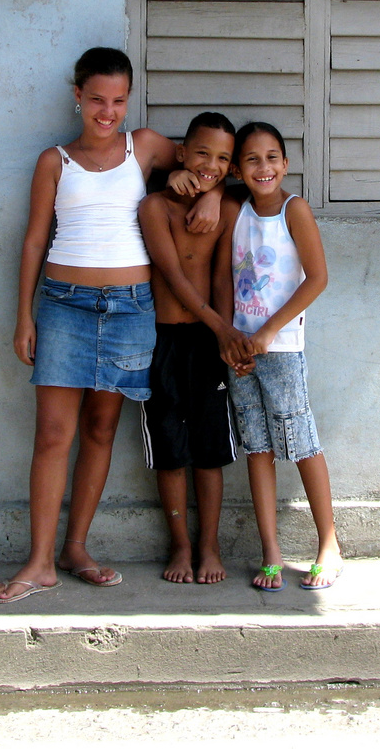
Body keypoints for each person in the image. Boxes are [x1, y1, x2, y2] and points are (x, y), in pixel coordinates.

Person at [0, 47, 220, 604]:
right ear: (77, 97)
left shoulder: (144, 147)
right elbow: (34, 241)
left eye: (118, 100)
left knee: (99, 432)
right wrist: (24, 315)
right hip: (64, 306)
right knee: (52, 436)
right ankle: (40, 561)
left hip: (130, 309)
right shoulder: (54, 162)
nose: (107, 111)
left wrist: (208, 190)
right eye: (97, 99)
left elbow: (210, 162)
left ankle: (76, 549)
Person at [216, 121, 342, 592]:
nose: (263, 167)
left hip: (281, 348)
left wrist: (270, 330)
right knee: (258, 446)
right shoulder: (237, 212)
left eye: (272, 158)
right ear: (237, 169)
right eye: (251, 160)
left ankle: (329, 543)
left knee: (301, 440)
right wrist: (230, 337)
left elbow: (317, 278)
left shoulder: (295, 210)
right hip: (241, 351)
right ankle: (270, 551)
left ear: (285, 164)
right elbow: (228, 277)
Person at [136, 112, 249, 585]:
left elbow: (222, 275)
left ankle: (209, 544)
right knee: (168, 446)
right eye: (203, 153)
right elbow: (173, 276)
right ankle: (180, 544)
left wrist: (225, 335)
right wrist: (221, 329)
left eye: (224, 159)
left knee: (209, 448)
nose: (212, 164)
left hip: (208, 341)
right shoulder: (153, 208)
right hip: (160, 339)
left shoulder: (226, 209)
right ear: (181, 154)